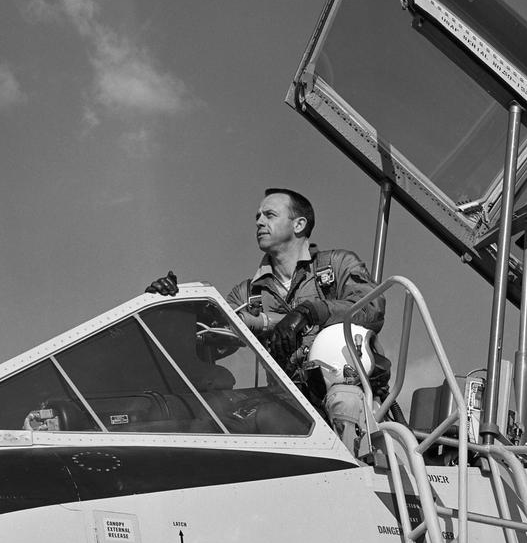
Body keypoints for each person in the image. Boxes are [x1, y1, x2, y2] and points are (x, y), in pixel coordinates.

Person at [146, 188, 385, 452]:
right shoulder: (247, 294)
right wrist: (172, 309)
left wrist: (309, 311)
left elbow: (371, 308)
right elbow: (212, 335)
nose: (259, 222)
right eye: (258, 216)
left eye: (269, 215)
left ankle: (356, 471)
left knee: (346, 401)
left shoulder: (337, 265)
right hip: (287, 398)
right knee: (214, 416)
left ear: (299, 224)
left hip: (341, 388)